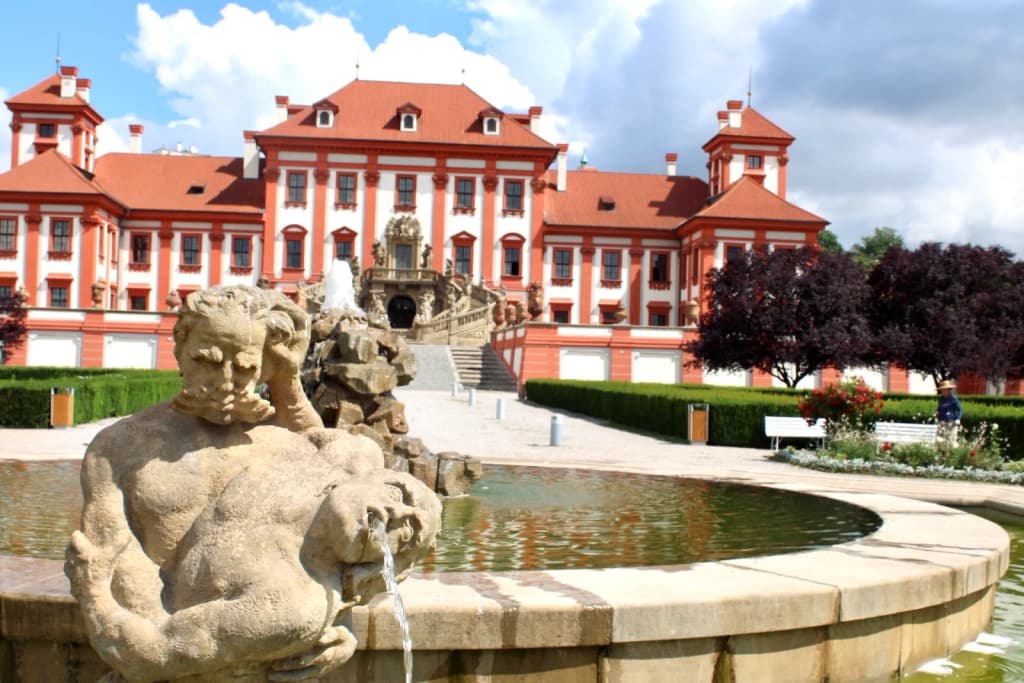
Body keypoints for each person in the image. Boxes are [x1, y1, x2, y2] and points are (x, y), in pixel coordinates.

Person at [65, 285, 440, 681]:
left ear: (266, 365)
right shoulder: (120, 448)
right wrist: (167, 654)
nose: (224, 381)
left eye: (245, 368)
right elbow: (109, 563)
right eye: (205, 360)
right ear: (180, 348)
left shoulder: (287, 444)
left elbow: (350, 550)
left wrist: (334, 628)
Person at [935, 378, 962, 445]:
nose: (943, 392)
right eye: (942, 390)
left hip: (951, 423)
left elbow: (960, 410)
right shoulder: (941, 399)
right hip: (942, 422)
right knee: (940, 440)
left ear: (949, 390)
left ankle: (954, 454)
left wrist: (958, 418)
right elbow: (939, 408)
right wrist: (937, 412)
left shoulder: (954, 399)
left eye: (945, 390)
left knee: (952, 441)